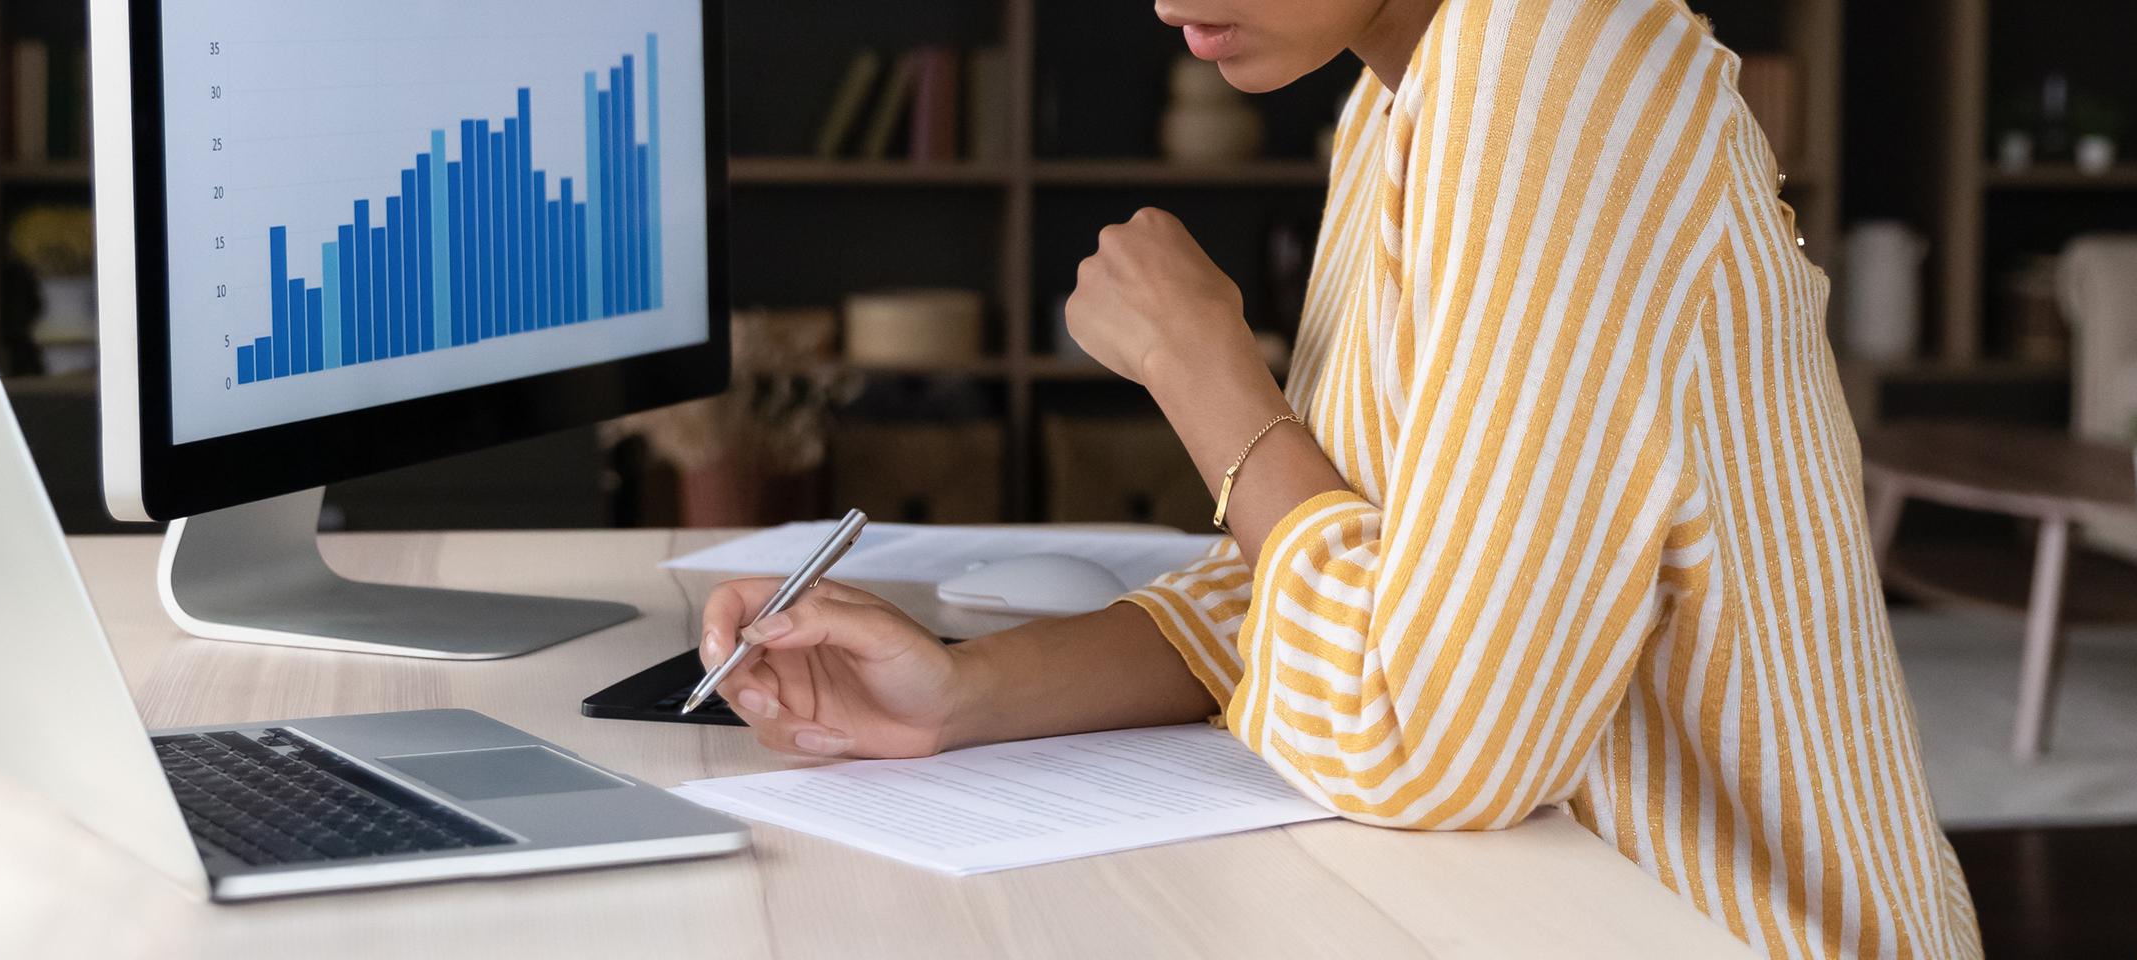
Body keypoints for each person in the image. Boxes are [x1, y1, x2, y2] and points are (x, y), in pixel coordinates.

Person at [695, 0, 1981, 954]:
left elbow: (1428, 742)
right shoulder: (1399, 97)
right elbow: (1326, 576)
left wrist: (1205, 372)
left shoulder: (1556, 73)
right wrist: (960, 694)